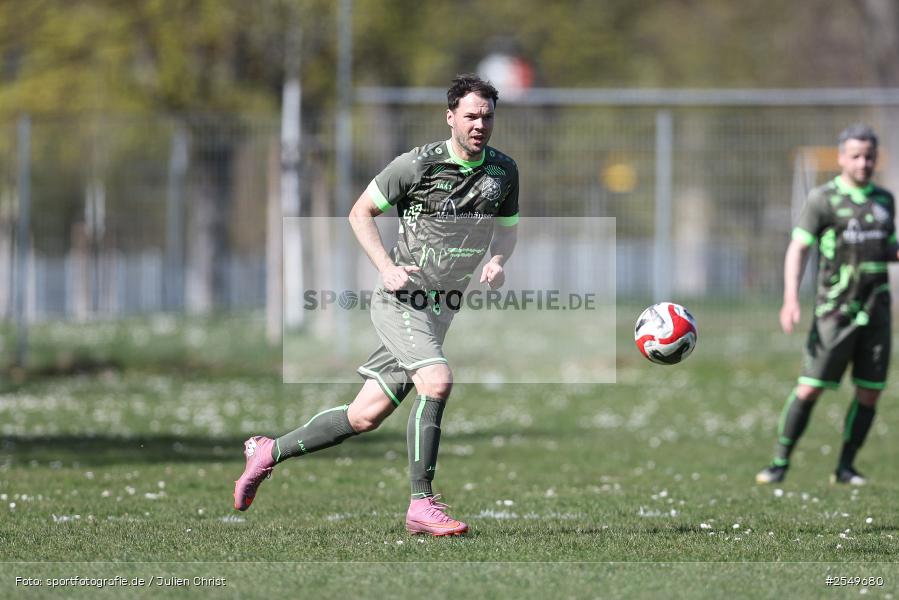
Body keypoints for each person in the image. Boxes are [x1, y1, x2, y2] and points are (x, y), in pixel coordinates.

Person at [233, 74, 519, 535]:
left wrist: (499, 260)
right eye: (470, 116)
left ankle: (267, 452)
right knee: (437, 381)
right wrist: (385, 266)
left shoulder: (503, 171)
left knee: (363, 416)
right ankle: (422, 504)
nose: (479, 125)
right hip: (402, 300)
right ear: (450, 117)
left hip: (440, 309)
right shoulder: (416, 164)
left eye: (487, 117)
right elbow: (359, 212)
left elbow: (507, 228)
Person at [756, 124, 897, 486]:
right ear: (841, 158)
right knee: (810, 386)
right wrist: (790, 297)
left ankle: (845, 468)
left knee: (870, 391)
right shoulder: (823, 199)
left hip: (877, 312)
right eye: (856, 156)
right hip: (835, 311)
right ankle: (779, 463)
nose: (863, 163)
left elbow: (887, 249)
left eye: (869, 156)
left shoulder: (885, 200)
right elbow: (799, 247)